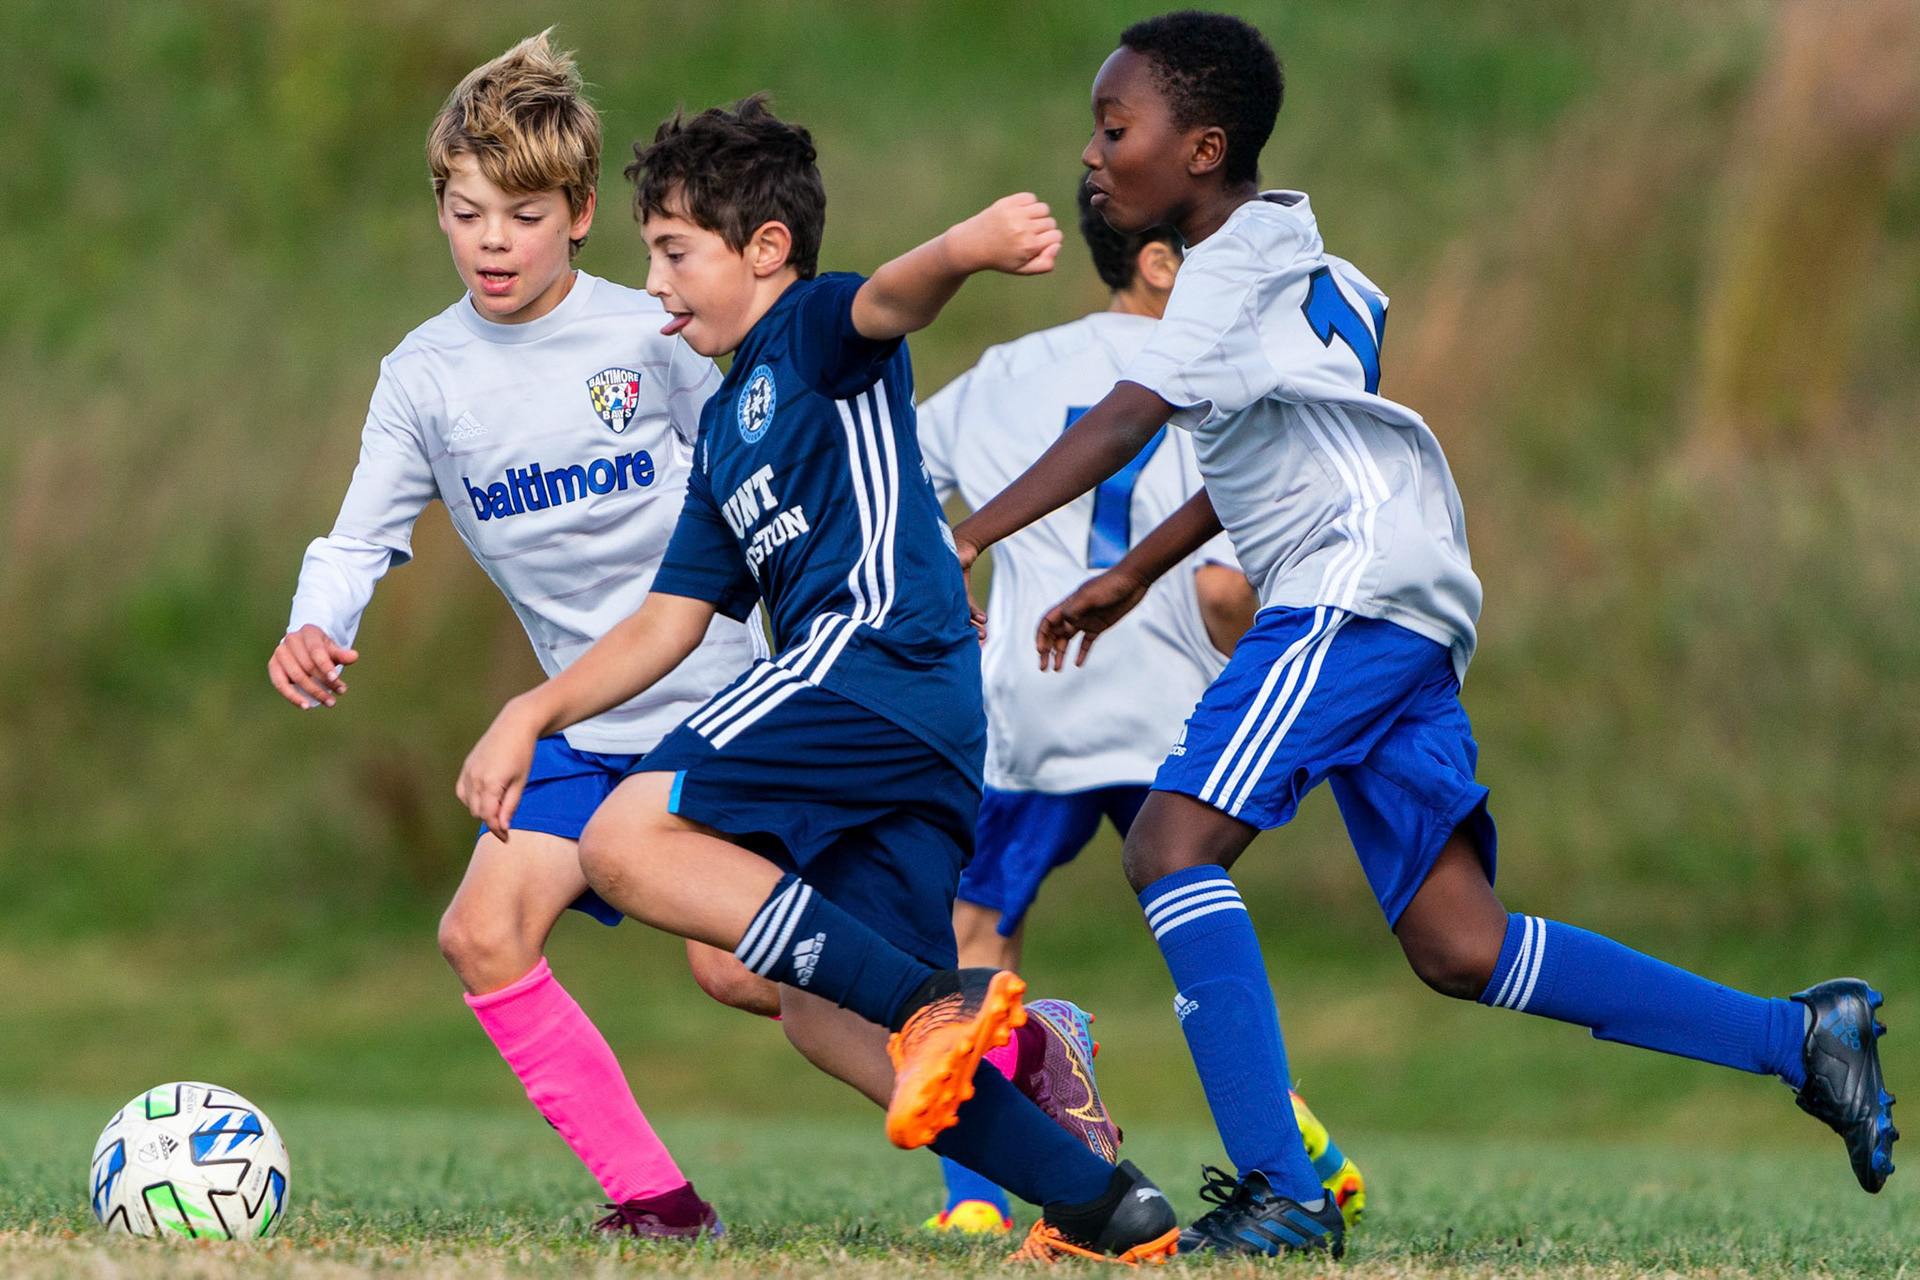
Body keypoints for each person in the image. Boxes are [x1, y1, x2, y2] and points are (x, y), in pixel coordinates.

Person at [951, 10, 1897, 1259]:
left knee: (1171, 842)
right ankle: (1801, 1036)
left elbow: (1130, 417)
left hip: (1345, 587)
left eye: (1115, 126)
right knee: (1460, 941)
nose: (1092, 150)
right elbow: (1274, 448)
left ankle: (1284, 1189)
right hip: (1405, 589)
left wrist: (970, 538)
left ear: (1202, 147)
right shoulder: (1301, 255)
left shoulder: (1225, 272)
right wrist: (1135, 569)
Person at [456, 94, 1185, 1264]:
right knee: (813, 1010)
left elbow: (890, 296)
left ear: (767, 249)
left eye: (674, 251)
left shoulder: (807, 335)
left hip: (868, 662)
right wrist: (532, 708)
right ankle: (1106, 1204)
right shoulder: (726, 440)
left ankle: (940, 999)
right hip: (914, 723)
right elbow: (667, 621)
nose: (655, 282)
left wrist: (973, 245)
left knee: (624, 840)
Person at [268, 32, 764, 1238]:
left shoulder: (650, 333)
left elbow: (761, 469)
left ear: (582, 212)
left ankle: (992, 1036)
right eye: (466, 211)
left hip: (719, 697)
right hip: (587, 720)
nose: (493, 240)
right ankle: (660, 1206)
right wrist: (314, 622)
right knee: (482, 933)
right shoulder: (425, 376)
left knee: (734, 967)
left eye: (523, 213)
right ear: (438, 209)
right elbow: (356, 535)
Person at [913, 178, 1364, 1233]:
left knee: (977, 927)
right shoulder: (1219, 378)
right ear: (1162, 265)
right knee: (1199, 932)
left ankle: (975, 1198)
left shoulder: (1006, 372)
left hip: (1037, 699)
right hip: (1169, 704)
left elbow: (905, 491)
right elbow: (1220, 587)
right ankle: (1292, 1134)